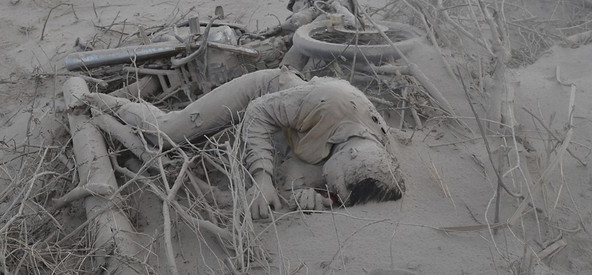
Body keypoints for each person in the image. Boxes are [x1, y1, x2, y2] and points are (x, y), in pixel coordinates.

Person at [81, 68, 405, 218]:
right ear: (343, 153)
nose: (327, 185)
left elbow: (310, 180)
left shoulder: (374, 158)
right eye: (331, 184)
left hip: (295, 133)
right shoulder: (329, 102)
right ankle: (105, 103)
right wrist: (262, 179)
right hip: (264, 95)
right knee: (169, 133)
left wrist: (314, 199)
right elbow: (258, 113)